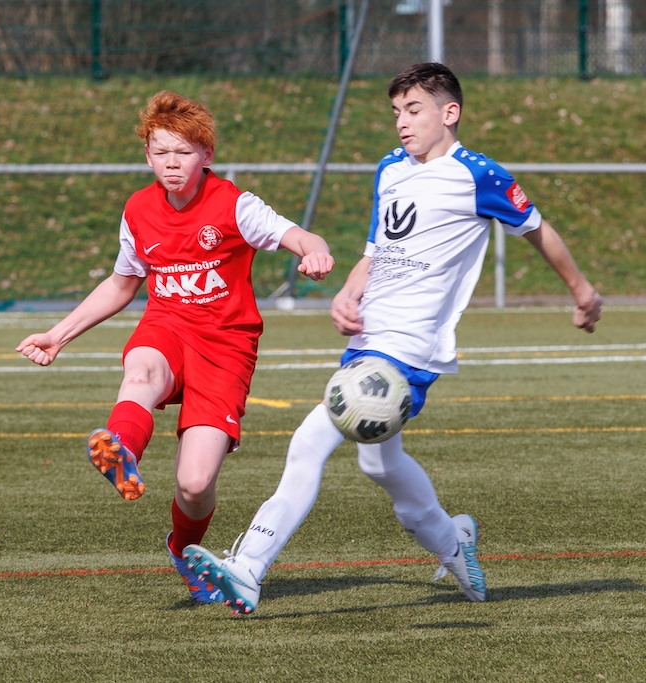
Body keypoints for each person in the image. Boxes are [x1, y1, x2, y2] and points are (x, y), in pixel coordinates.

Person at [184, 62, 603, 614]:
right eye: (396, 112)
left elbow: (537, 230)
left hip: (412, 344)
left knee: (311, 440)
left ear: (449, 113)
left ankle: (247, 569)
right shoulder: (389, 169)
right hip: (370, 337)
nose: (402, 122)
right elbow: (378, 249)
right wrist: (349, 293)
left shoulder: (478, 174)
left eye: (414, 110)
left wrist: (582, 292)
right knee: (379, 465)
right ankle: (454, 542)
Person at [16, 91, 335, 602]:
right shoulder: (138, 210)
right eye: (161, 151)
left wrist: (315, 254)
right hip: (167, 325)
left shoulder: (235, 205)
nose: (171, 162)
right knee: (141, 371)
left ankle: (183, 550)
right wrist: (58, 335)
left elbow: (302, 237)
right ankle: (121, 451)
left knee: (195, 483)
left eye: (183, 152)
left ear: (206, 155)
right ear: (147, 155)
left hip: (226, 345)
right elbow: (122, 284)